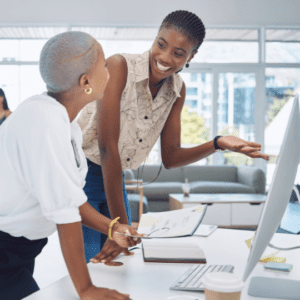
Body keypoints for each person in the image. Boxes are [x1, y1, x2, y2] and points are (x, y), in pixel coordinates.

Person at [78, 10, 269, 264]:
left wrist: (217, 143)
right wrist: (121, 226)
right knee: (90, 261)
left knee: (118, 263)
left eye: (179, 53)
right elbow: (107, 148)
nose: (165, 57)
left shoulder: (177, 90)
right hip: (81, 174)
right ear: (155, 38)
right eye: (161, 44)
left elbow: (171, 157)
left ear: (192, 56)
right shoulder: (119, 66)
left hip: (115, 176)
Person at [0, 31, 143, 300]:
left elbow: (71, 198)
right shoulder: (43, 120)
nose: (108, 72)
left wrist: (112, 228)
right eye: (103, 65)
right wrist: (86, 289)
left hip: (19, 252)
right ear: (86, 81)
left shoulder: (65, 124)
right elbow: (65, 212)